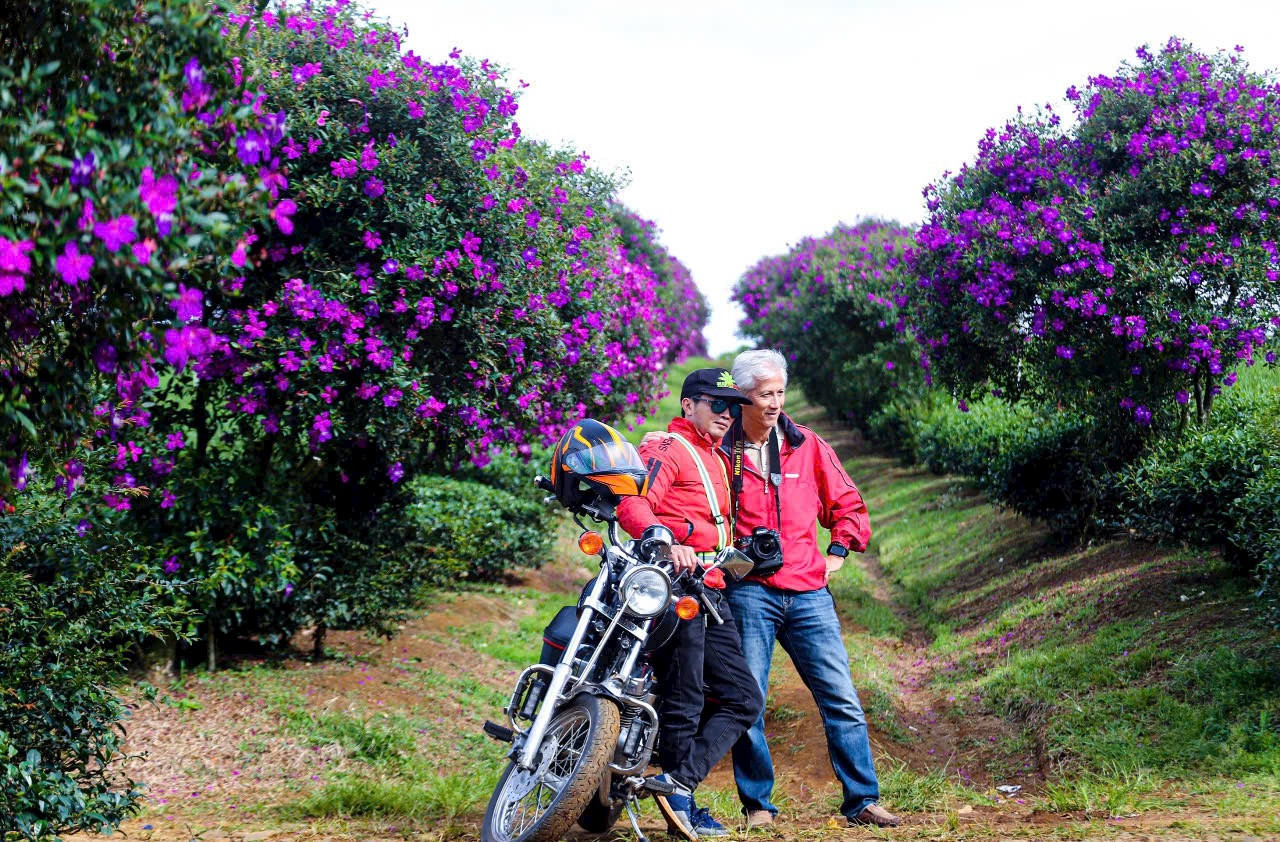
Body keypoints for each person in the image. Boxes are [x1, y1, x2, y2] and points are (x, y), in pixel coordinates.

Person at [722, 349, 901, 829]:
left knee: (839, 695)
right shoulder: (720, 451)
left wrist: (838, 552)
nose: (775, 402)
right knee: (748, 702)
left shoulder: (808, 445)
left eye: (781, 392)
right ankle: (757, 805)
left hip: (808, 592)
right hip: (747, 592)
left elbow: (848, 504)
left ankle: (863, 799)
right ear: (741, 397)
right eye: (765, 395)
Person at [617, 367, 765, 839]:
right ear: (688, 405)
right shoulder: (667, 447)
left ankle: (676, 779)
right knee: (685, 697)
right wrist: (663, 538)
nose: (727, 414)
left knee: (743, 697)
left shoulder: (717, 457)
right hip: (674, 585)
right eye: (716, 404)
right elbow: (632, 504)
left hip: (711, 586)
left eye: (732, 407)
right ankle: (681, 801)